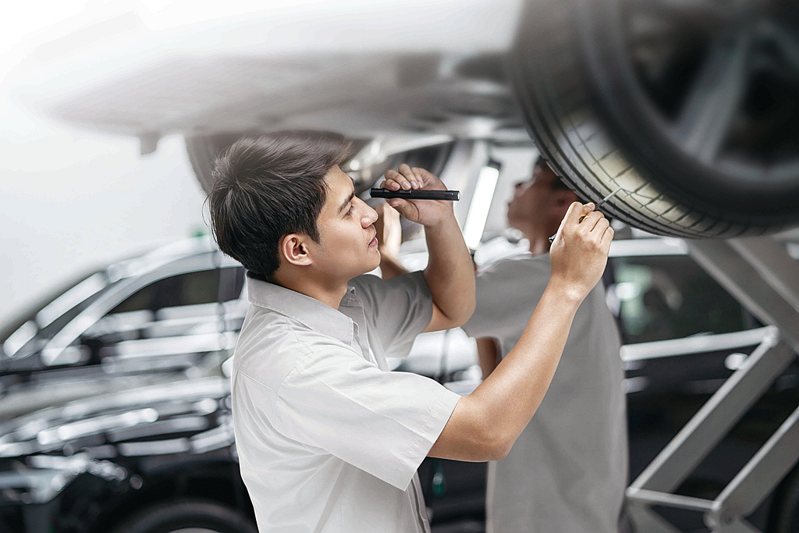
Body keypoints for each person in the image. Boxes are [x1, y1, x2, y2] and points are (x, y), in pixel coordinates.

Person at [207, 131, 613, 533]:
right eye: (347, 209)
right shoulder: (297, 366)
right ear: (298, 250)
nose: (370, 214)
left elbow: (449, 306)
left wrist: (440, 223)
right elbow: (487, 432)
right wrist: (566, 287)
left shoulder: (345, 303)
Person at [465, 157, 627, 533]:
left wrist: (397, 240)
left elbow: (442, 306)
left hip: (547, 509)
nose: (516, 190)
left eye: (528, 180)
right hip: (572, 503)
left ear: (564, 201)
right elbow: (494, 374)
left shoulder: (539, 275)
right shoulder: (569, 280)